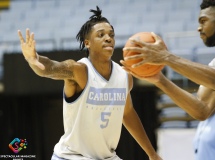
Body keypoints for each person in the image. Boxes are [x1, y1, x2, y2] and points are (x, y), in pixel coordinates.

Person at [17, 6, 162, 160]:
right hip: (72, 156)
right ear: (88, 43)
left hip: (107, 157)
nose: (108, 38)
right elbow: (51, 68)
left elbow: (127, 113)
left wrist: (152, 154)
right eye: (101, 35)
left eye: (111, 35)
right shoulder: (79, 70)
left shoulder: (125, 76)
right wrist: (33, 59)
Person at [121, 0, 215, 121]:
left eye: (203, 21)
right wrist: (160, 80)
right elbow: (201, 110)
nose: (199, 28)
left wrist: (166, 57)